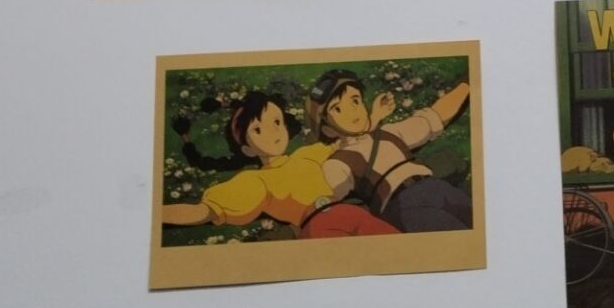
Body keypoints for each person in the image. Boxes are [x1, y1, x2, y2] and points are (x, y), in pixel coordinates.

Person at [162, 90, 397, 238]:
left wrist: (376, 115)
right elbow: (203, 211)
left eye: (276, 122)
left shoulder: (307, 154)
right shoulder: (256, 181)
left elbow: (350, 139)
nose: (272, 131)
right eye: (257, 130)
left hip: (350, 213)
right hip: (318, 226)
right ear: (247, 149)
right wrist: (152, 215)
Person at [307, 71, 474, 231]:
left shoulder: (389, 132)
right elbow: (334, 205)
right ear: (328, 129)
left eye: (355, 101)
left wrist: (467, 84)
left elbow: (433, 118)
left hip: (437, 187)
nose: (352, 111)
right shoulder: (336, 163)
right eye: (337, 109)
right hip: (404, 206)